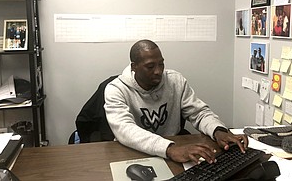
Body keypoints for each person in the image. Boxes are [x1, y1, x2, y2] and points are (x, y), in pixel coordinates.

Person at [104, 39, 248, 164]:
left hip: (174, 150)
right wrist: (169, 149)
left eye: (161, 64)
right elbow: (125, 130)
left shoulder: (175, 80)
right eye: (150, 66)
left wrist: (218, 130)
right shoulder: (116, 89)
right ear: (134, 66)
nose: (158, 71)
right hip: (135, 152)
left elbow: (198, 112)